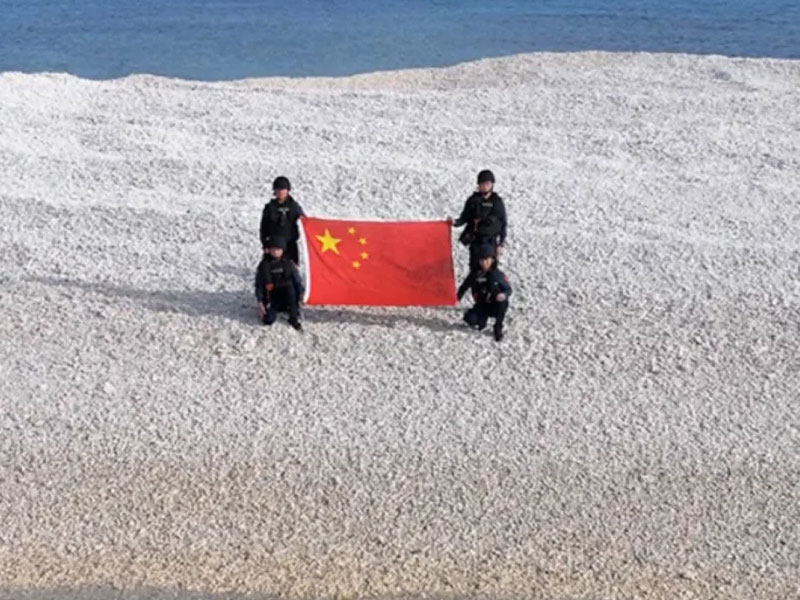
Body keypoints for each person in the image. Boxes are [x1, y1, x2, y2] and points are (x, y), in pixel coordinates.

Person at [451, 169, 507, 272]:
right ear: (479, 185)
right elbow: (464, 217)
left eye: (487, 184)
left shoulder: (497, 202)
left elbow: (503, 223)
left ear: (492, 185)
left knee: (490, 269)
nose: (485, 186)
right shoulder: (473, 200)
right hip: (476, 240)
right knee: (475, 269)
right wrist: (454, 222)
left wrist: (501, 243)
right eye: (482, 184)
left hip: (491, 240)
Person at [456, 244, 512, 342]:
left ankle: (498, 326)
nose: (484, 263)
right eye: (482, 260)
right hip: (482, 303)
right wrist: (457, 298)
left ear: (492, 260)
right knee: (470, 319)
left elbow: (508, 289)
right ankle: (482, 319)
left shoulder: (497, 274)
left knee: (503, 304)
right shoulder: (475, 274)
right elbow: (464, 286)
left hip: (495, 304)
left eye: (487, 260)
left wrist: (503, 295)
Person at [254, 237, 304, 331]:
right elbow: (259, 285)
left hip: (289, 298)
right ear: (269, 250)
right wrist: (260, 302)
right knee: (268, 320)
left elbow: (297, 281)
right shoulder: (264, 265)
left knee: (290, 287)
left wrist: (302, 293)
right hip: (273, 298)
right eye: (273, 249)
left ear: (282, 250)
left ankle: (293, 316)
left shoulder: (289, 263)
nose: (276, 252)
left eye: (278, 249)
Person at [260, 176, 305, 265]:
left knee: (291, 269)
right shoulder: (269, 208)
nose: (280, 192)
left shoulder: (294, 207)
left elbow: (305, 222)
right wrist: (265, 245)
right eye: (278, 190)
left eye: (283, 189)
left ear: (288, 190)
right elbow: (263, 228)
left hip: (290, 245)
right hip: (274, 246)